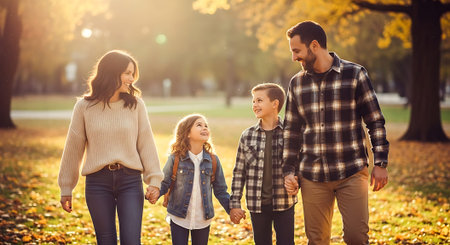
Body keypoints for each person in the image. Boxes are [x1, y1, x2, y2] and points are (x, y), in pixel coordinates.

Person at [282, 21, 389, 244]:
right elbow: (292, 131)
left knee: (356, 237)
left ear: (314, 46)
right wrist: (288, 170)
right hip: (312, 175)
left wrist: (380, 163)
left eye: (296, 51)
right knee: (317, 239)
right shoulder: (296, 84)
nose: (294, 58)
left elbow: (375, 120)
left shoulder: (355, 74)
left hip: (350, 170)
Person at [58, 50, 163, 245]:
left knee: (131, 241)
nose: (131, 79)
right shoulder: (83, 107)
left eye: (133, 74)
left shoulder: (136, 106)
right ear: (111, 72)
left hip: (130, 181)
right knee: (105, 241)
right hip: (97, 183)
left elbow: (146, 143)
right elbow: (73, 148)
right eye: (127, 73)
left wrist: (154, 180)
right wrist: (66, 187)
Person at [230, 83, 296, 245]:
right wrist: (235, 203)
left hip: (284, 203)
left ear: (275, 104)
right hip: (256, 203)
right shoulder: (247, 136)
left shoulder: (290, 133)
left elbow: (298, 163)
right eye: (253, 101)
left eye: (259, 100)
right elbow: (239, 173)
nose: (255, 105)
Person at [156, 114, 230, 245]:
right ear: (187, 133)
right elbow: (165, 182)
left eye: (206, 125)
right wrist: (155, 193)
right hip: (179, 217)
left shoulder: (212, 160)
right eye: (199, 125)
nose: (204, 128)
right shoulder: (175, 158)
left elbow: (220, 190)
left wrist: (232, 209)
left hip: (203, 219)